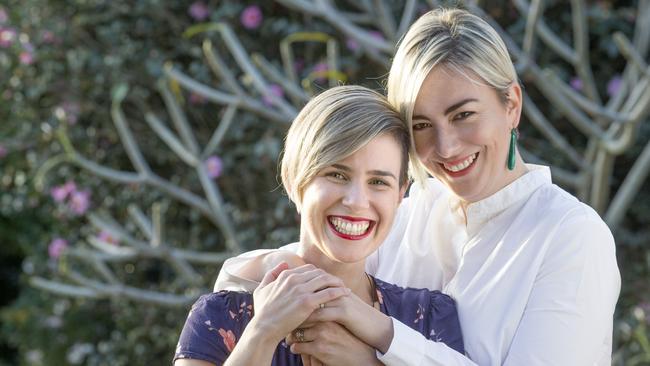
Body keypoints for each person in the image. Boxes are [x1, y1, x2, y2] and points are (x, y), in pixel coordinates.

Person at [214, 7, 621, 366]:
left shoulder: (571, 235)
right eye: (422, 125)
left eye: (463, 114)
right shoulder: (408, 214)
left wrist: (376, 348)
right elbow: (269, 274)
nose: (445, 146)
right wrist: (270, 282)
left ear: (511, 105)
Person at [173, 86, 465, 366]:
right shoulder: (219, 317)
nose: (357, 201)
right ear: (294, 181)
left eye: (378, 182)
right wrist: (263, 332)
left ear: (400, 194)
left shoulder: (428, 318)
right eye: (337, 175)